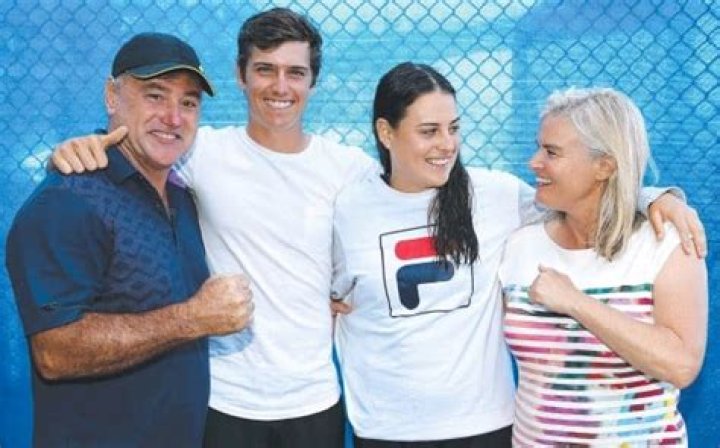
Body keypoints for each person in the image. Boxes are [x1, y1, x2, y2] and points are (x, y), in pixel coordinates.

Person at [48, 10, 705, 447]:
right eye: (266, 70)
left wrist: (656, 195)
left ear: (313, 82)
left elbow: (577, 195)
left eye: (296, 72)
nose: (281, 86)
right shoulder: (208, 155)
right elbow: (147, 149)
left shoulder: (369, 178)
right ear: (242, 76)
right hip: (248, 402)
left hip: (344, 404)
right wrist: (82, 148)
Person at [329, 64, 707, 448]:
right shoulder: (348, 208)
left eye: (454, 128)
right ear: (386, 133)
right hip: (386, 429)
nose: (447, 143)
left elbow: (587, 197)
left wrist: (654, 198)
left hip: (484, 426)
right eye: (429, 131)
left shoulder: (497, 197)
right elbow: (325, 286)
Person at [6, 32, 253, 447]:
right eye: (155, 95)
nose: (173, 117)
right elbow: (55, 351)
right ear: (111, 96)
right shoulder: (69, 201)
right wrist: (193, 318)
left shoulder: (182, 199)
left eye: (188, 103)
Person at [498, 87, 707, 446]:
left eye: (552, 152)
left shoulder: (665, 243)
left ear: (605, 166)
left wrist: (576, 302)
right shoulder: (521, 246)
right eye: (538, 147)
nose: (534, 162)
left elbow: (681, 365)